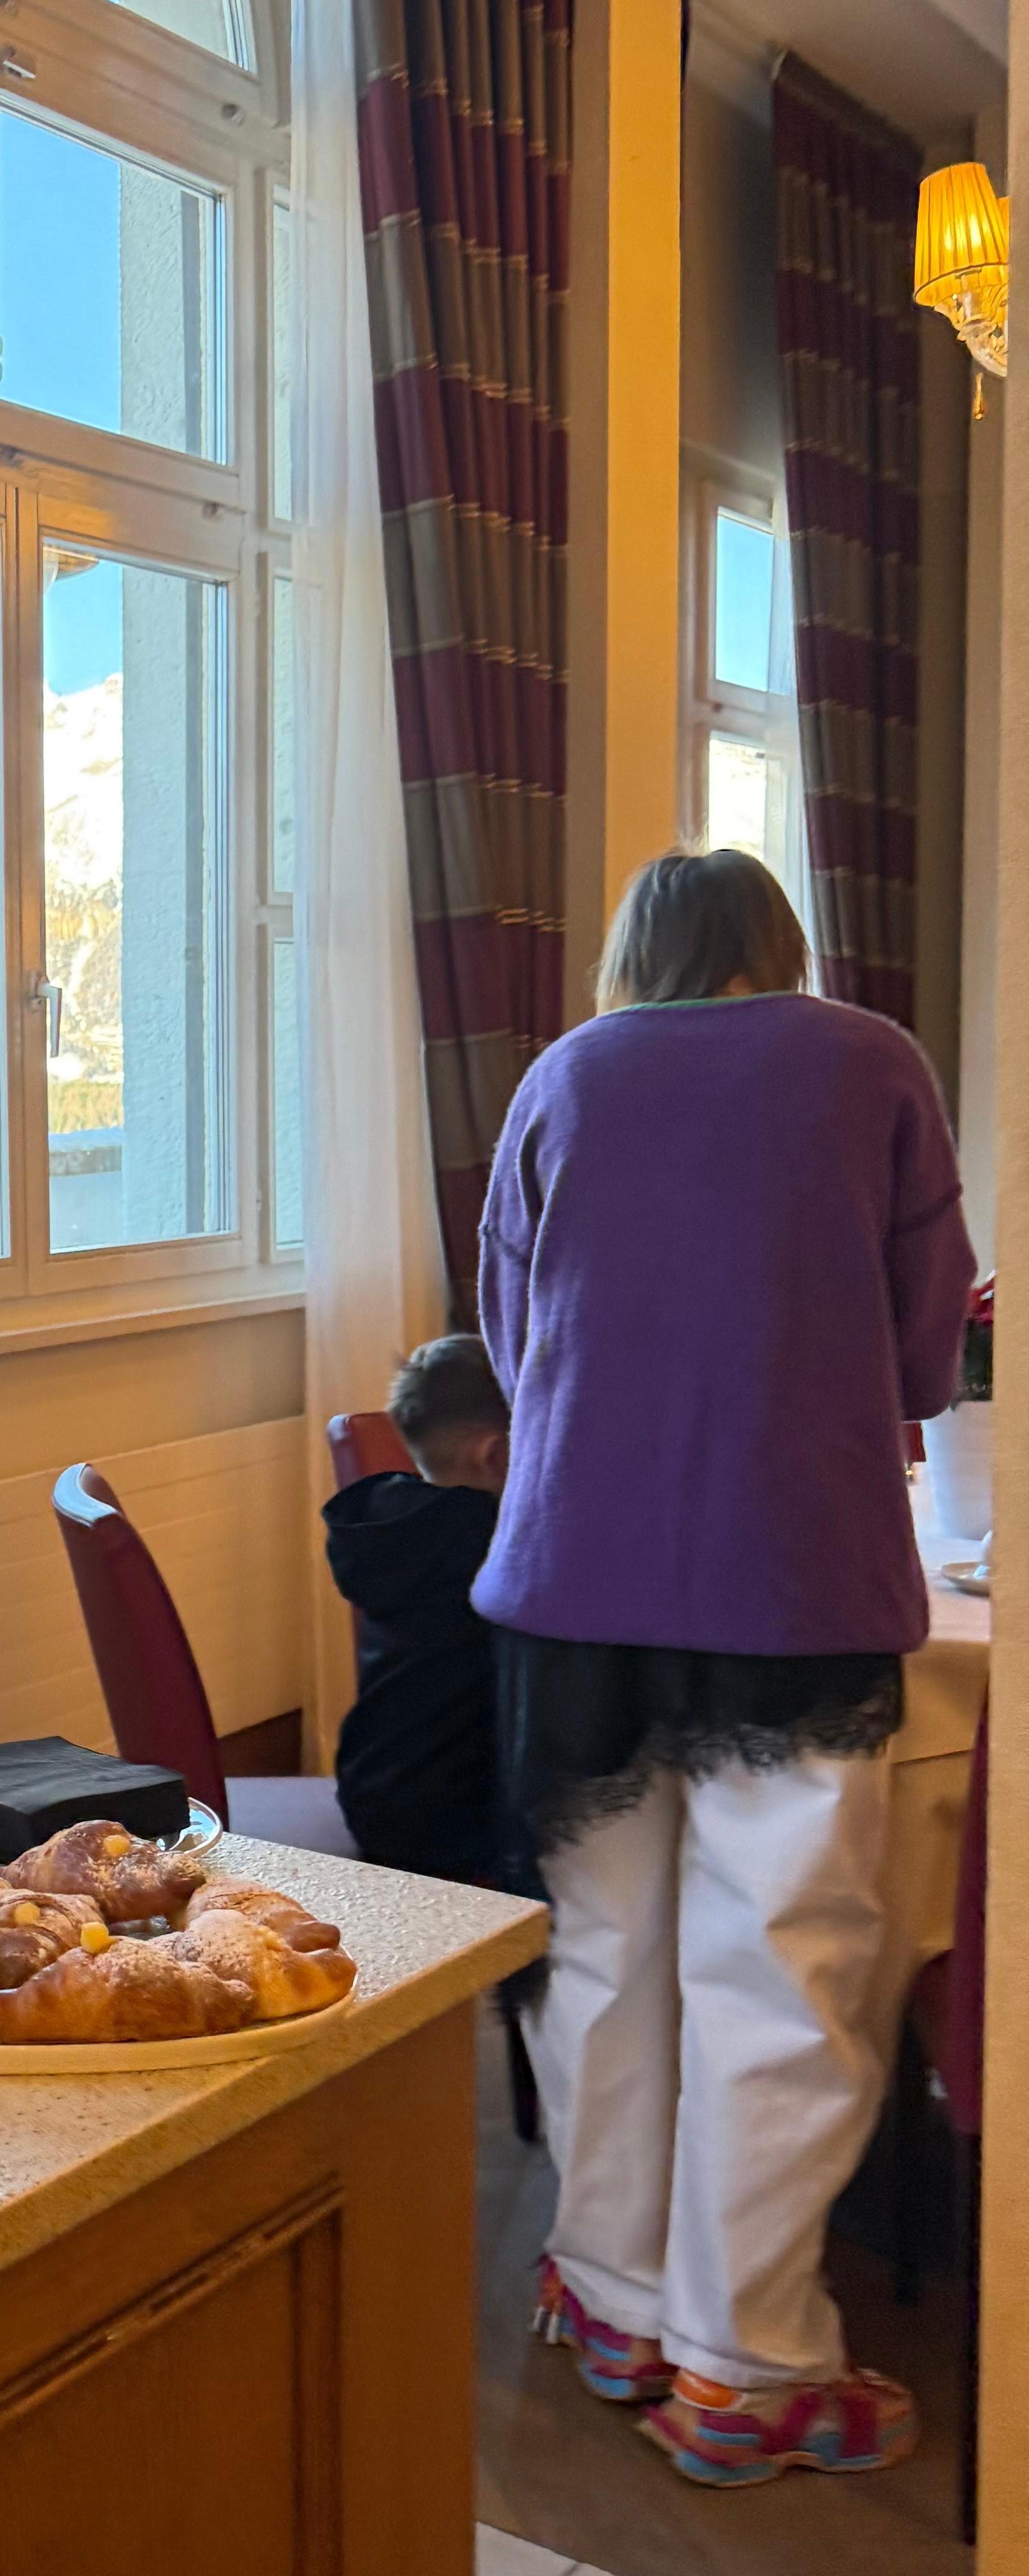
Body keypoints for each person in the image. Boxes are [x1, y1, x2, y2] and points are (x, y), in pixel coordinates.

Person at [475, 848, 973, 2487]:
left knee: (601, 1949)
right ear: (780, 944)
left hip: (571, 1584)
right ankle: (745, 2359)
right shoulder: (869, 1062)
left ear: (632, 955)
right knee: (782, 1961)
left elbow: (512, 1341)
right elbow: (923, 1354)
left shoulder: (561, 1077)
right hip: (794, 1576)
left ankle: (611, 2297)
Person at [325, 1334, 514, 1889]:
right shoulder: (492, 1547)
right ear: (498, 1456)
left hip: (375, 1794)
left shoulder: (399, 1520)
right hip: (456, 1828)